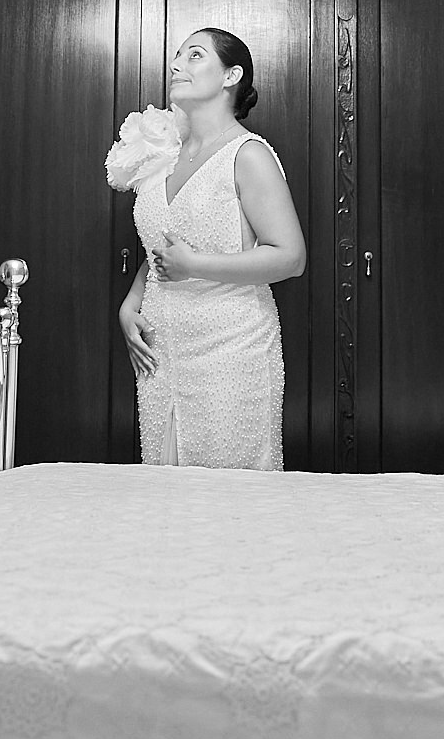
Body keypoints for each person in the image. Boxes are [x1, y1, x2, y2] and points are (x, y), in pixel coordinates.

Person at [110, 29, 305, 468]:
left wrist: (195, 264)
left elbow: (290, 257)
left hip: (230, 349)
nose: (176, 64)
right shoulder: (165, 155)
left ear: (231, 76)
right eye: (178, 56)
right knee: (167, 489)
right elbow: (161, 247)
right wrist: (131, 304)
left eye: (195, 56)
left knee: (224, 494)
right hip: (161, 353)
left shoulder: (247, 154)